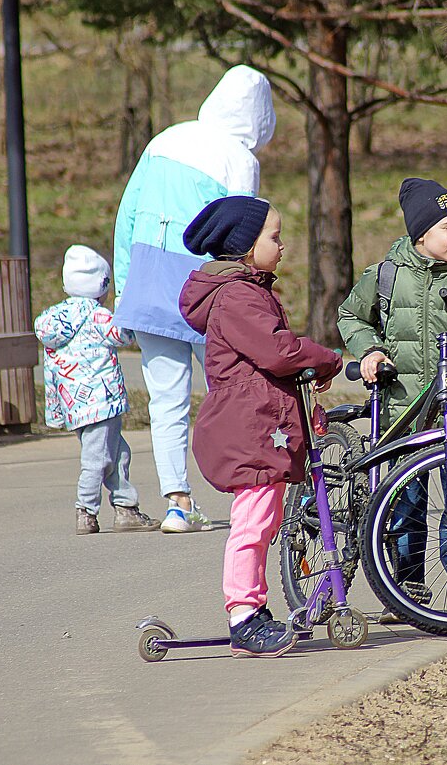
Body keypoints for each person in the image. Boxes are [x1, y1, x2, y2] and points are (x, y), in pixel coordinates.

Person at [113, 65, 276, 533]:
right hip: (209, 294)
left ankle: (177, 504)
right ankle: (255, 487)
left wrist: (124, 286)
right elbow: (243, 236)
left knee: (167, 401)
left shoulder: (164, 139)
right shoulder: (240, 158)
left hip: (147, 285)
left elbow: (127, 216)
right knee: (239, 390)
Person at [179, 195, 342, 657]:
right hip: (247, 429)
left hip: (258, 425)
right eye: (274, 236)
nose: (283, 245)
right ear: (246, 246)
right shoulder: (237, 297)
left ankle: (252, 609)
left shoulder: (250, 291)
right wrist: (327, 358)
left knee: (263, 522)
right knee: (252, 524)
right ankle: (244, 617)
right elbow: (277, 352)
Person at [337, 177, 447, 616]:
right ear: (421, 233)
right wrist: (370, 350)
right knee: (406, 504)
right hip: (402, 412)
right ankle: (407, 586)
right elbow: (351, 317)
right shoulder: (385, 278)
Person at [34, 245, 160, 535]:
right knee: (98, 459)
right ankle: (85, 511)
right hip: (101, 402)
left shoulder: (55, 319)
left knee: (118, 453)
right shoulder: (99, 316)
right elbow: (124, 336)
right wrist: (127, 308)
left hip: (74, 405)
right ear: (101, 286)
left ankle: (125, 508)